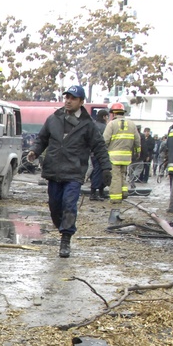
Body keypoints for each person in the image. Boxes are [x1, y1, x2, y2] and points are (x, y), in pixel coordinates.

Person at [27, 85, 110, 259]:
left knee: (69, 205)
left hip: (74, 172)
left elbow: (100, 147)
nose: (68, 101)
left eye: (73, 98)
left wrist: (106, 167)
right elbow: (42, 139)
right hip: (54, 170)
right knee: (54, 206)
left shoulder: (88, 125)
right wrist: (35, 151)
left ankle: (66, 238)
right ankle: (62, 228)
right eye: (67, 98)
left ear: (81, 102)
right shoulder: (54, 119)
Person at [103, 102, 140, 221]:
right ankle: (124, 193)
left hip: (113, 156)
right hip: (126, 156)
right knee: (123, 175)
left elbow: (105, 140)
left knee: (116, 177)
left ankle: (115, 198)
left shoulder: (111, 124)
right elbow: (137, 140)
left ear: (113, 113)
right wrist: (137, 151)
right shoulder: (132, 124)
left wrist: (102, 152)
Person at [88, 109, 109, 200]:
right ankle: (94, 193)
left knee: (96, 172)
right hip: (100, 152)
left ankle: (99, 192)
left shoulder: (93, 125)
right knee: (99, 172)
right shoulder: (105, 127)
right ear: (104, 117)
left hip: (92, 152)